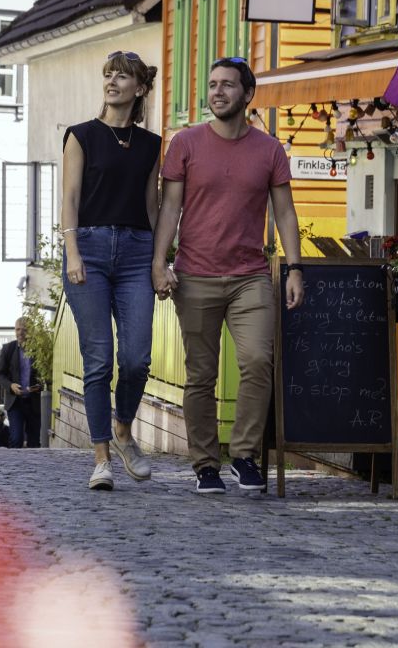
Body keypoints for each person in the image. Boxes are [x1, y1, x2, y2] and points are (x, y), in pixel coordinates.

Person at [152, 57, 305, 495]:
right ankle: (204, 464)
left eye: (228, 85)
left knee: (258, 360)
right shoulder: (186, 144)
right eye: (213, 84)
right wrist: (159, 262)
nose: (217, 92)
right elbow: (170, 209)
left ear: (247, 95)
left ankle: (243, 455)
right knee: (201, 374)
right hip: (195, 276)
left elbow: (285, 212)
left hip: (250, 277)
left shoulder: (270, 150)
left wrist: (295, 268)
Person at [60, 49, 162, 491]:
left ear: (139, 88)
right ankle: (101, 456)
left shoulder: (153, 145)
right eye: (108, 75)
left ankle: (124, 429)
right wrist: (72, 252)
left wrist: (162, 260)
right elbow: (69, 198)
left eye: (122, 77)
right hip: (91, 250)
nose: (112, 82)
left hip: (138, 252)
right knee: (98, 359)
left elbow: (153, 206)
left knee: (137, 358)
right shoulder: (80, 136)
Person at [0, 318, 45, 448]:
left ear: (31, 332)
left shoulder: (39, 350)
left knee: (34, 441)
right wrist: (10, 385)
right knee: (16, 438)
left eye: (24, 330)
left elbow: (45, 375)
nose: (20, 333)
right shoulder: (8, 349)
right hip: (15, 402)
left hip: (33, 402)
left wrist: (40, 385)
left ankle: (32, 467)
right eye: (17, 329)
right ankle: (14, 467)